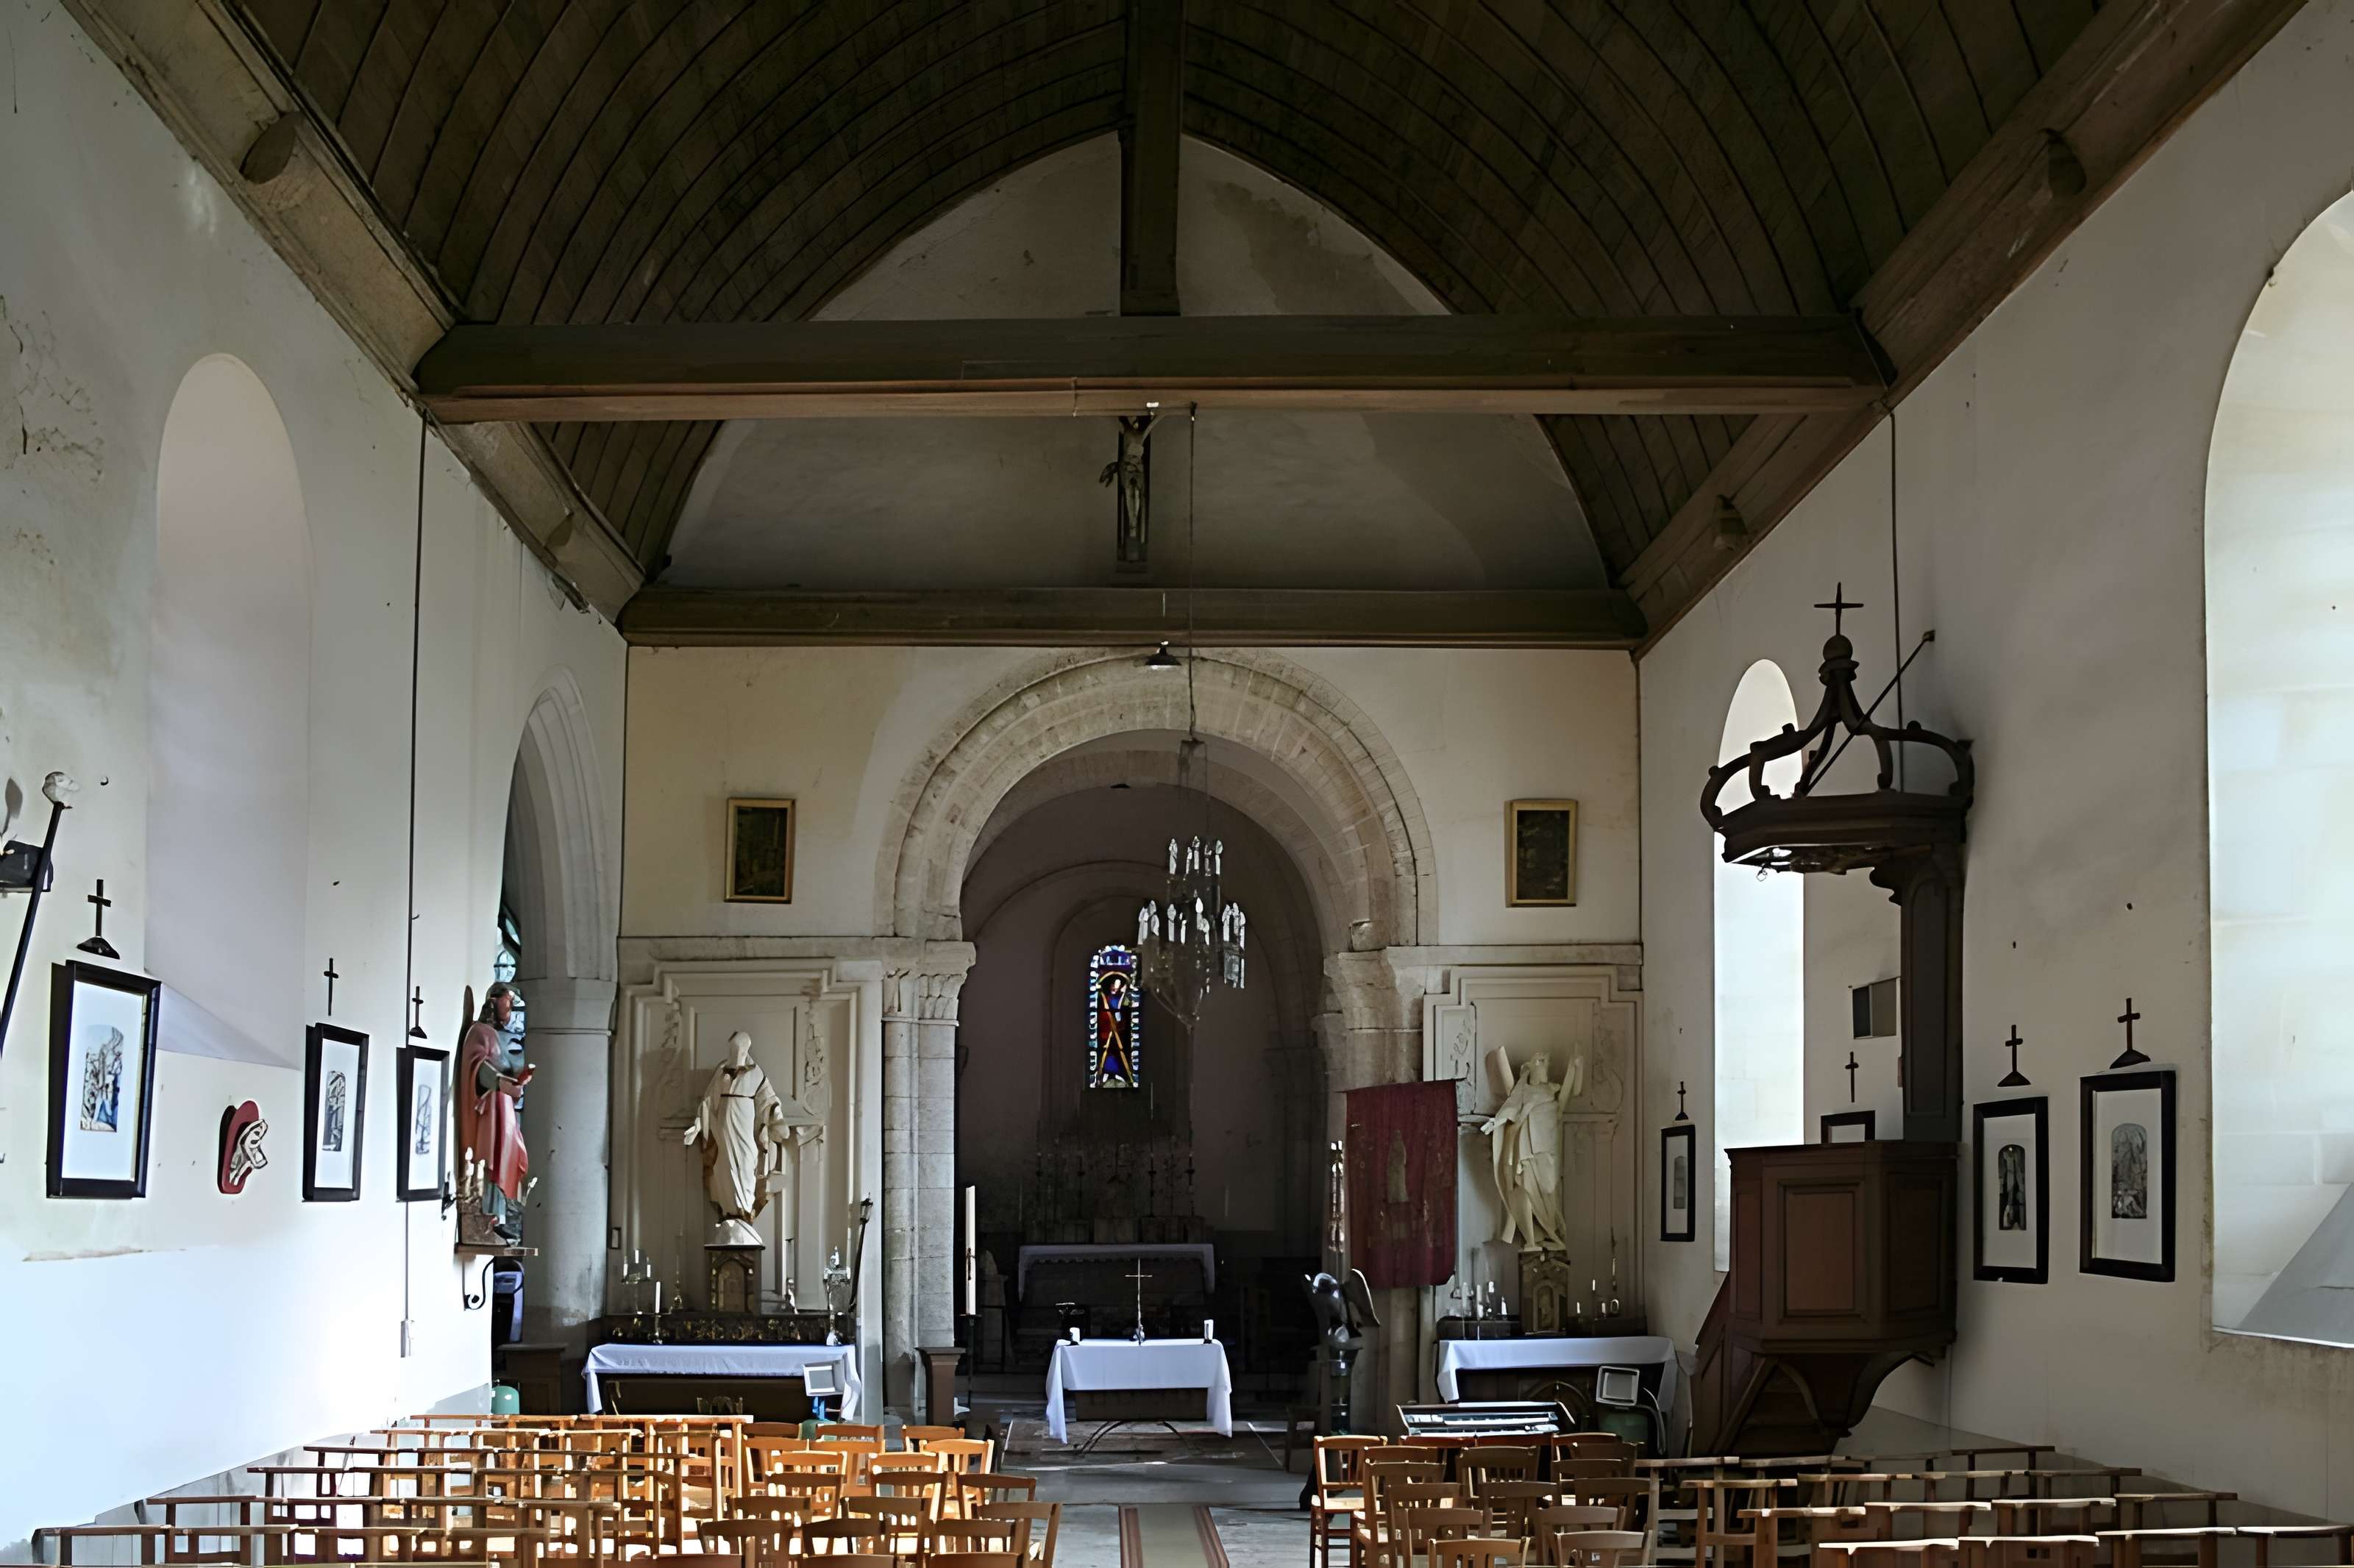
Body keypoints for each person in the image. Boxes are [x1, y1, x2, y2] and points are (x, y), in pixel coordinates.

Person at [1480, 1050, 1581, 1252]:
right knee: (1526, 1191)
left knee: (1550, 1192)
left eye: (1547, 1062)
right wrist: (1494, 1123)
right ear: (1530, 1067)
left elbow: (1570, 1094)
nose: (1546, 1065)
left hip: (1548, 1150)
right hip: (1527, 1151)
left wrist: (1573, 1067)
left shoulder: (1551, 1090)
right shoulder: (1523, 1092)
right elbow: (1509, 1111)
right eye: (1541, 1061)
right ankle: (1533, 1240)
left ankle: (1552, 1233)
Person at [459, 982, 533, 1242]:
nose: (511, 1006)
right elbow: (478, 1068)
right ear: (493, 1000)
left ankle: (497, 1218)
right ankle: (485, 1215)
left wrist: (517, 1081)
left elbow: (502, 1069)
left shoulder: (497, 1036)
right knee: (489, 1161)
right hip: (488, 1115)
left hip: (502, 1113)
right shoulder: (479, 1033)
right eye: (508, 1000)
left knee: (501, 1159)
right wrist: (502, 1083)